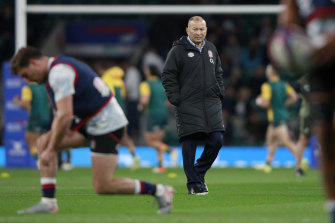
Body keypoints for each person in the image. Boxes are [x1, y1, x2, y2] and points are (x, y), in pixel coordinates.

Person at [10, 46, 174, 214]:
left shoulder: (59, 73)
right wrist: (51, 144)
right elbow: (60, 115)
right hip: (88, 123)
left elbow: (65, 115)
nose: (26, 79)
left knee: (103, 186)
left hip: (106, 125)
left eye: (25, 74)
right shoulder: (56, 71)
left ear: (33, 63)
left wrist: (52, 148)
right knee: (43, 142)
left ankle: (160, 191)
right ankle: (48, 202)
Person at [280, 0, 335, 222]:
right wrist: (286, 44)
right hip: (318, 59)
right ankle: (333, 208)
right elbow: (290, 21)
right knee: (325, 132)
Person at [161, 16, 225, 195]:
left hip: (211, 101)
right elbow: (167, 75)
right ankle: (193, 183)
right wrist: (176, 98)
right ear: (187, 30)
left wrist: (219, 91)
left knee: (217, 140)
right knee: (190, 139)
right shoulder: (178, 50)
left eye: (202, 29)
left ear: (206, 30)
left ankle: (198, 172)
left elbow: (218, 72)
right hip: (187, 102)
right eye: (195, 29)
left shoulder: (211, 48)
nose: (199, 33)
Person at [256, 64, 298, 173]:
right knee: (270, 139)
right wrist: (284, 105)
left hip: (276, 117)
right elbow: (294, 97)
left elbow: (265, 103)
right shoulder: (284, 84)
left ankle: (300, 159)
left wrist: (259, 101)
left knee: (285, 142)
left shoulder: (267, 86)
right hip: (280, 116)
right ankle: (268, 164)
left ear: (270, 73)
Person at [139, 65, 178, 173]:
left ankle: (170, 151)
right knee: (158, 142)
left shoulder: (145, 84)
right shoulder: (161, 84)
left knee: (150, 141)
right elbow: (169, 102)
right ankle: (161, 166)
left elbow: (145, 100)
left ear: (149, 71)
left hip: (153, 114)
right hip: (164, 114)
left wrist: (141, 106)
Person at [100, 65, 140, 170]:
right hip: (123, 112)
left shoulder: (106, 79)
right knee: (124, 136)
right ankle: (134, 156)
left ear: (102, 70)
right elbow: (125, 94)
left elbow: (107, 97)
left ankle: (114, 161)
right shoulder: (120, 81)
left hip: (112, 112)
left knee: (111, 137)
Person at [13, 82, 52, 166]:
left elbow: (25, 104)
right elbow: (51, 102)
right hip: (48, 117)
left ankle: (40, 164)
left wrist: (17, 102)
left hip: (35, 117)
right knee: (44, 142)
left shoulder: (28, 88)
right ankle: (51, 163)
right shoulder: (44, 87)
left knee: (31, 143)